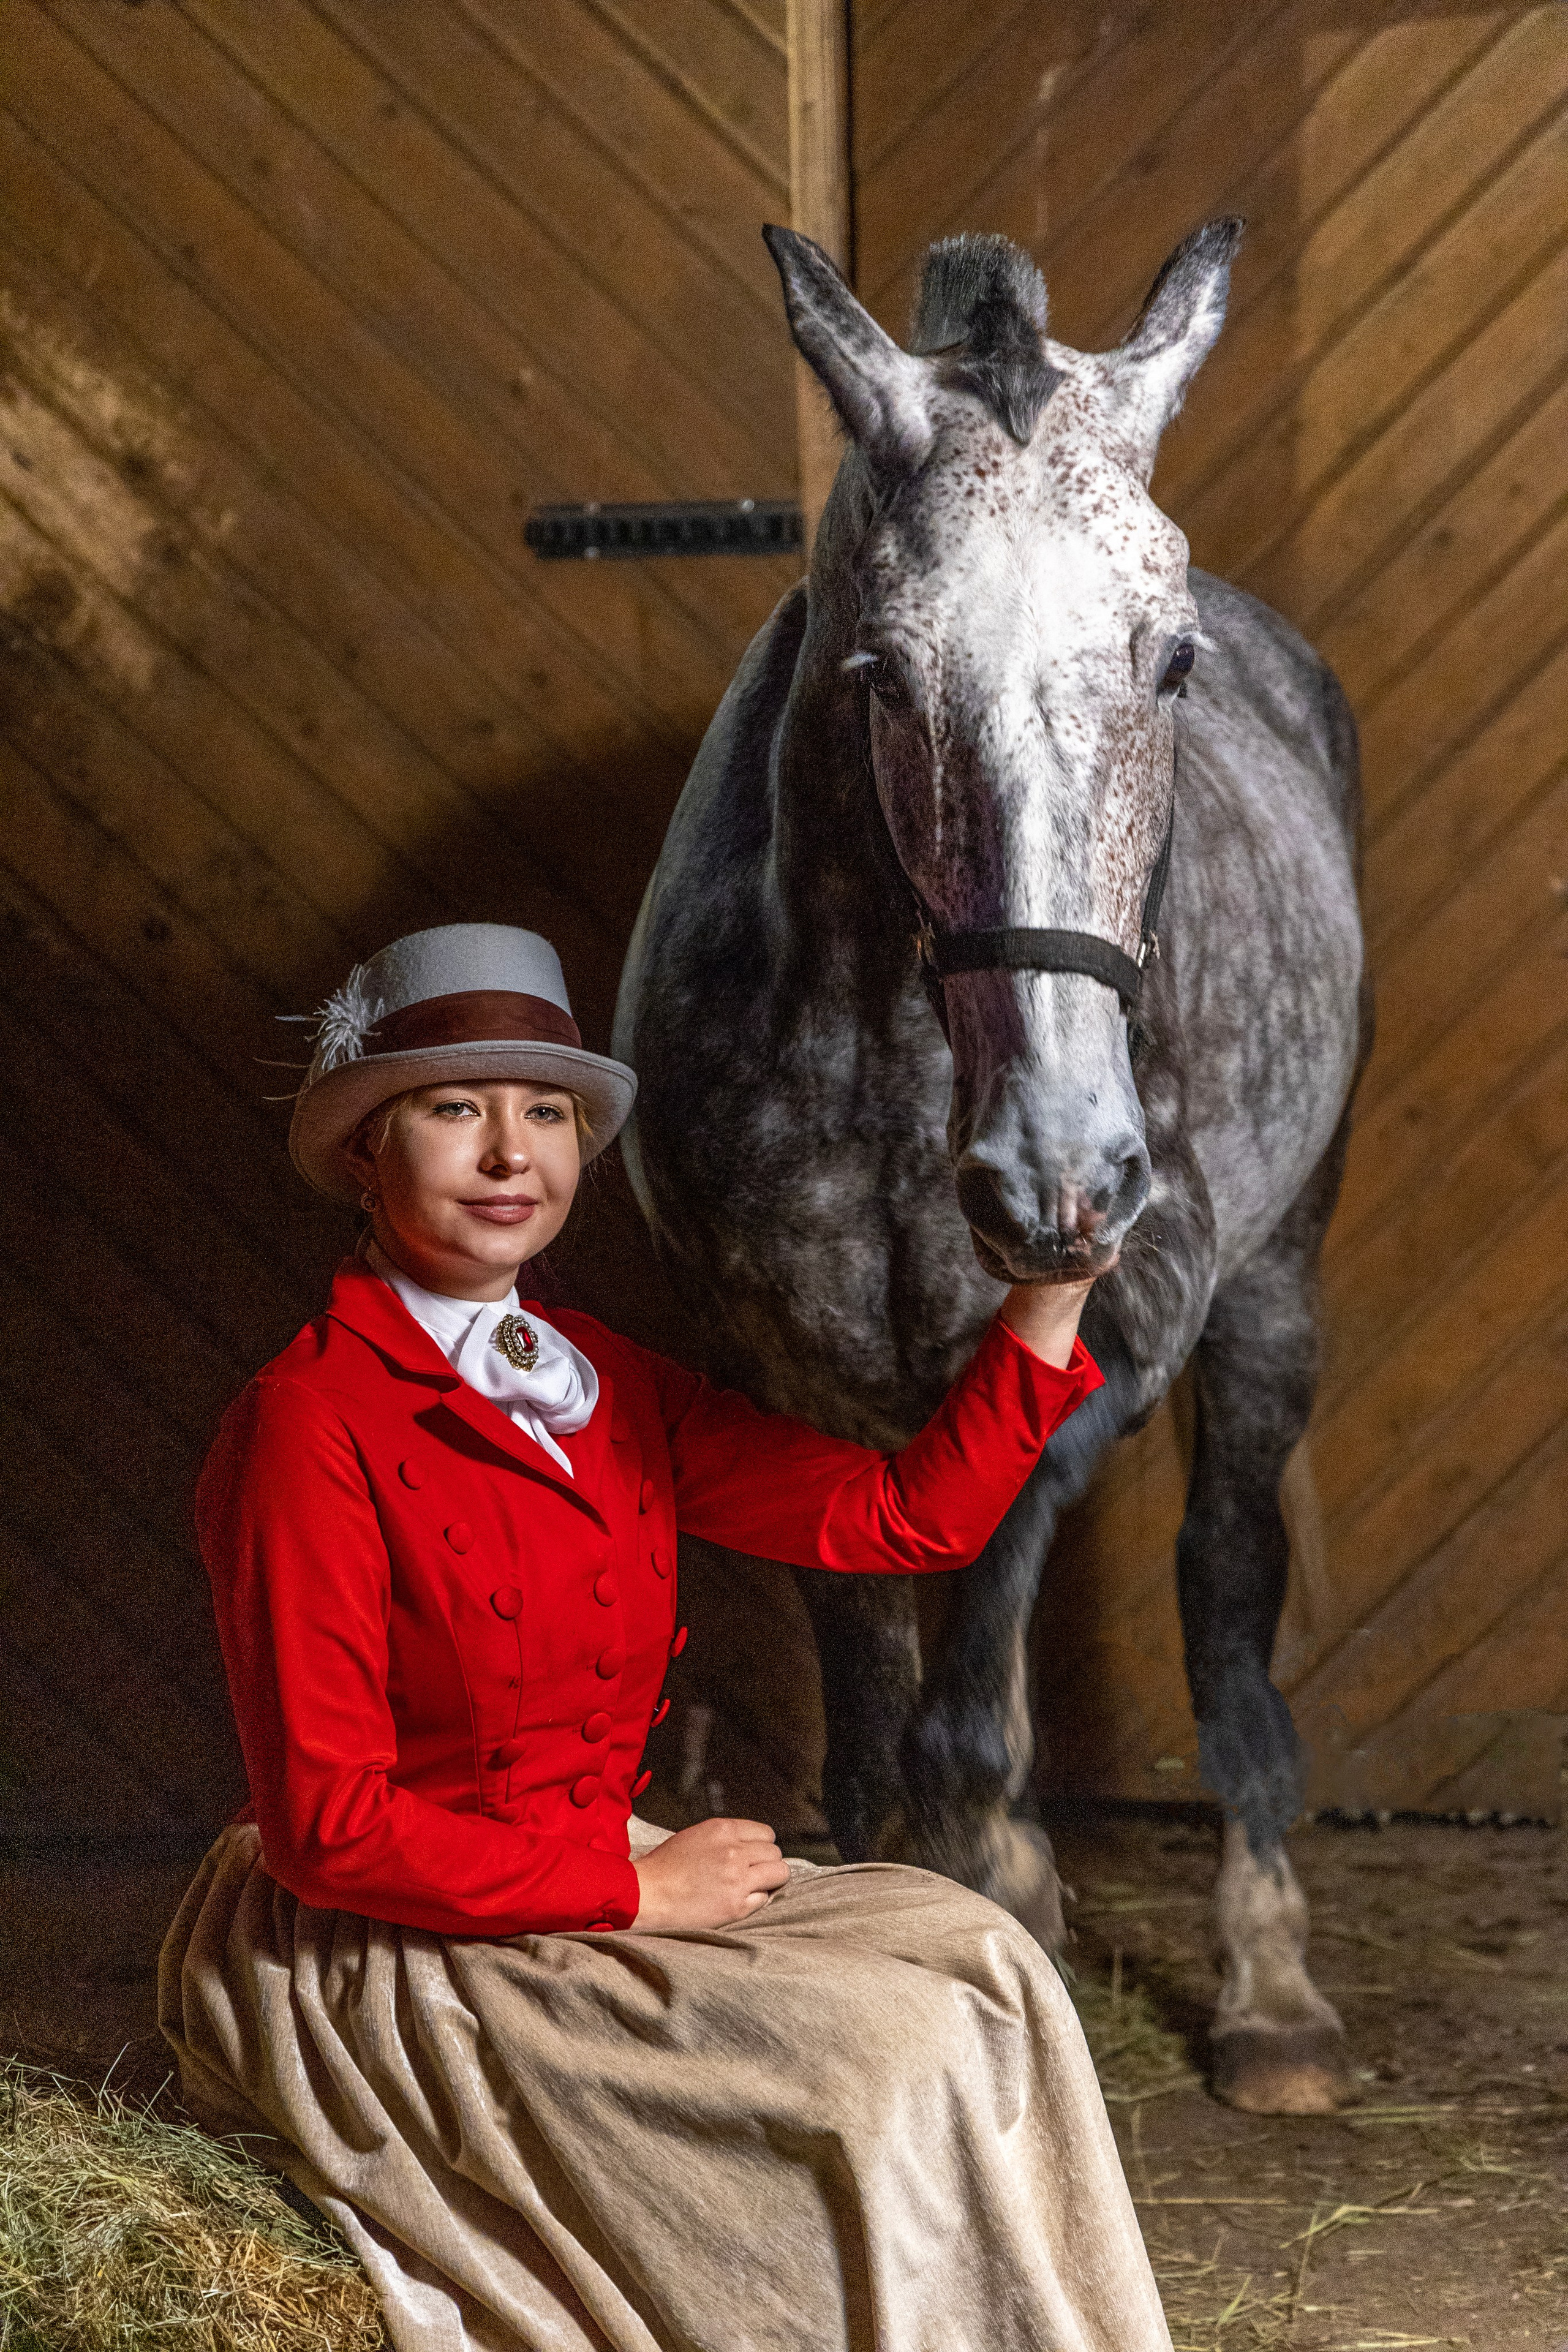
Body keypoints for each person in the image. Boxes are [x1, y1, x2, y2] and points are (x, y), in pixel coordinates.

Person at [160, 922, 1171, 2352]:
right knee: (883, 2057)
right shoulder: (307, 1424)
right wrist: (633, 1893)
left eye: (545, 1113)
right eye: (453, 1109)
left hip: (600, 1869)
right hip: (401, 1934)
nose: (509, 1154)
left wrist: (1047, 1300)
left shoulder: (597, 1384)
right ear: (365, 1155)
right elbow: (329, 1831)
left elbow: (901, 1519)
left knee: (983, 1961)